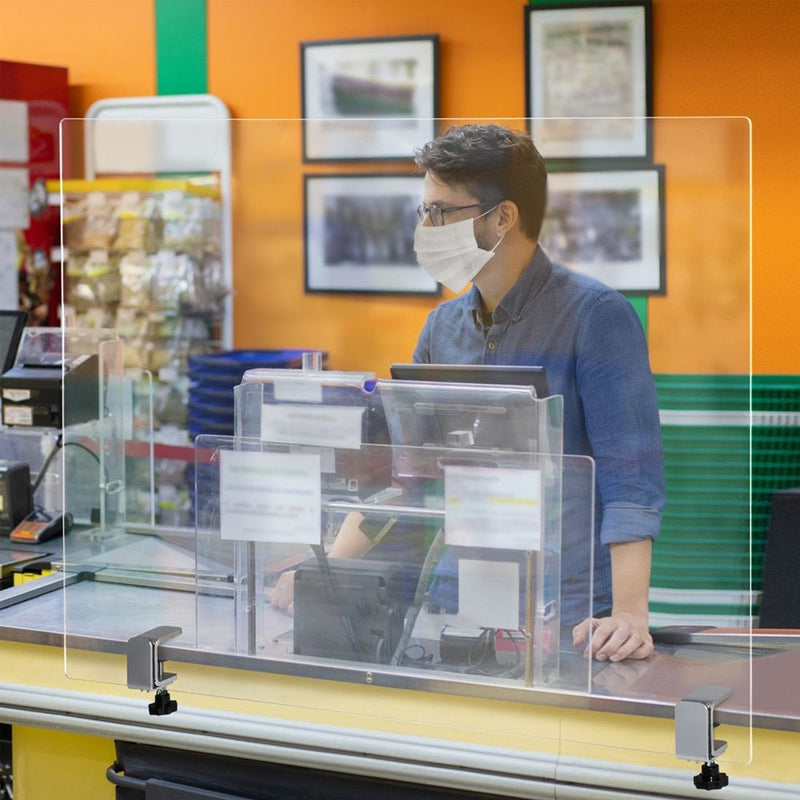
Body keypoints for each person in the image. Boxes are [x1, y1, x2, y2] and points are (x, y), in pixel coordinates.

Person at [274, 123, 665, 663]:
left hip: (568, 610)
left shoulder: (595, 317)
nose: (427, 227)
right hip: (457, 602)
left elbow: (630, 484)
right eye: (424, 213)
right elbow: (405, 477)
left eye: (441, 212)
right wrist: (324, 572)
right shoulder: (442, 328)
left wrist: (629, 614)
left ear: (502, 217)